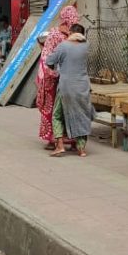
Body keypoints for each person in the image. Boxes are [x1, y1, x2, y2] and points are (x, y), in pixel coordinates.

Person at [46, 24, 94, 157]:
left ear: (71, 33)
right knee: (82, 115)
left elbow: (49, 61)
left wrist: (57, 68)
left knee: (57, 115)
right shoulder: (86, 46)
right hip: (83, 86)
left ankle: (60, 145)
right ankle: (81, 149)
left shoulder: (63, 46)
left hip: (66, 86)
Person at [36, 6, 79, 148]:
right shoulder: (55, 34)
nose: (74, 21)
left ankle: (71, 139)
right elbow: (46, 56)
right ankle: (52, 139)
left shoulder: (76, 34)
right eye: (72, 18)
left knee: (69, 108)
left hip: (68, 78)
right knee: (52, 109)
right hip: (52, 78)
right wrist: (53, 73)